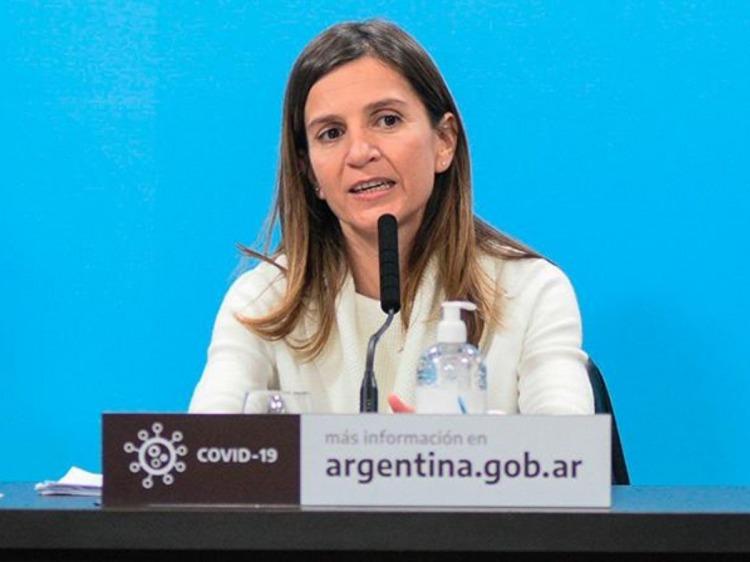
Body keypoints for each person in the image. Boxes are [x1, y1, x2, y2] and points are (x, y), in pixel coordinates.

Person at [189, 19, 594, 415]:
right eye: (331, 133)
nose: (359, 152)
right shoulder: (263, 303)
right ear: (310, 171)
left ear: (444, 141)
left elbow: (569, 449)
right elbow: (208, 448)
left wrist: (455, 451)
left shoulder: (529, 292)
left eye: (387, 120)